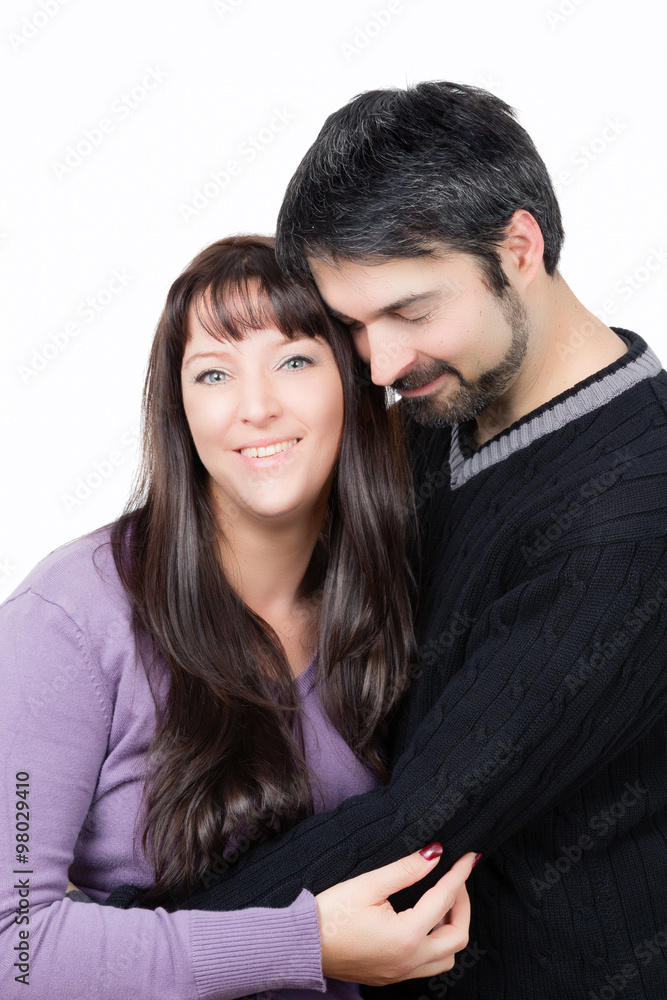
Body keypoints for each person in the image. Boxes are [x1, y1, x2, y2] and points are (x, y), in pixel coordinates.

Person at [107, 83, 667, 999]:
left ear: (518, 250)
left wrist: (130, 948)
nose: (379, 365)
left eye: (409, 311)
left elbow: (420, 819)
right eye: (352, 325)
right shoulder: (444, 407)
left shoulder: (631, 520)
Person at [0, 234, 477, 1000]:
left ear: (357, 385)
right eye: (214, 374)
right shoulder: (66, 621)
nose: (256, 408)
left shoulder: (398, 586)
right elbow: (11, 949)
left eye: (294, 361)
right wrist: (301, 944)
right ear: (180, 408)